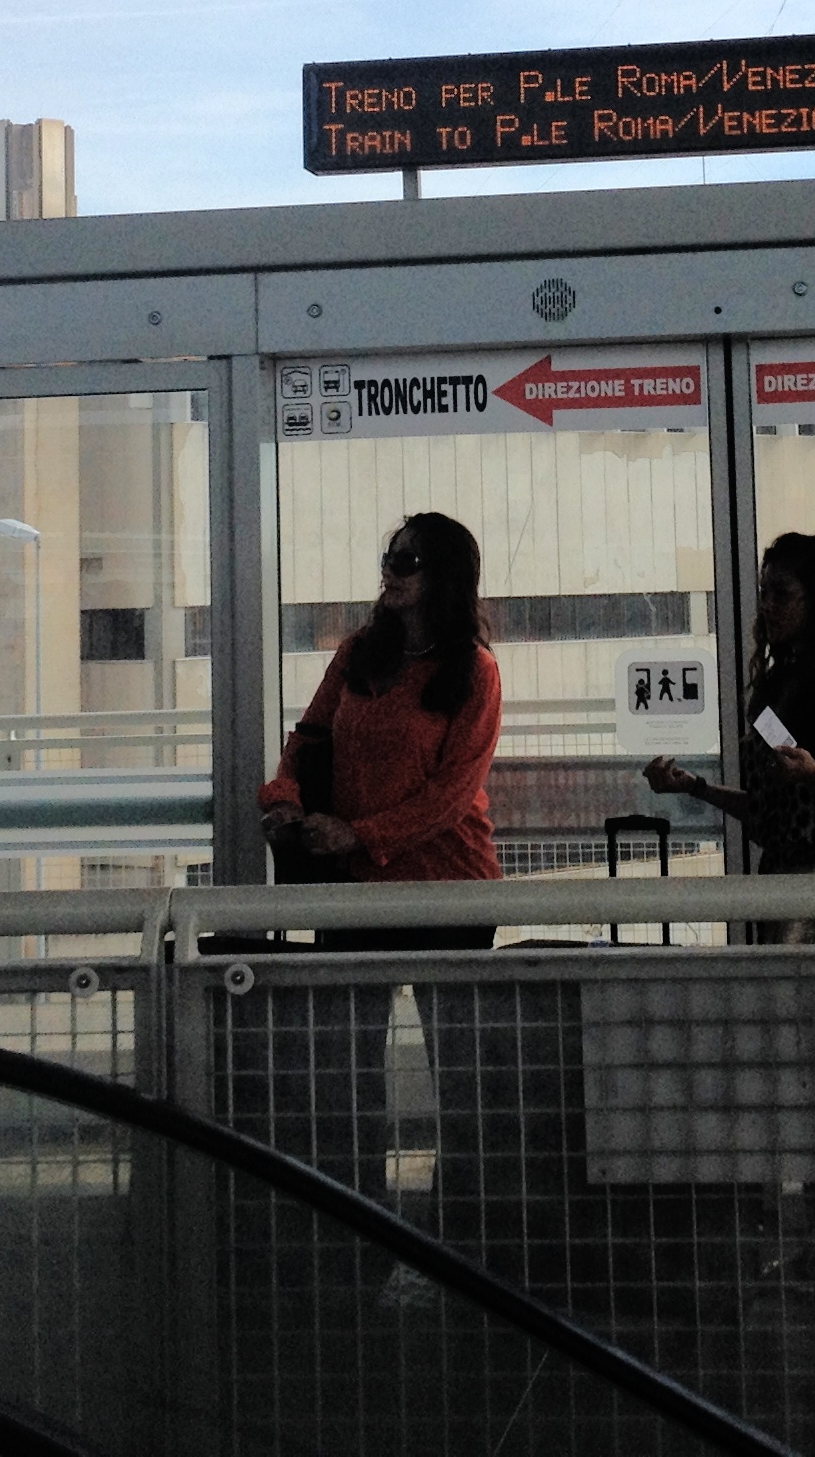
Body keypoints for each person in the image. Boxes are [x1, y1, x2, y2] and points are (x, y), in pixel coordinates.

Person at [643, 530, 815, 1327]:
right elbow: (775, 814)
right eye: (764, 591)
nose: (766, 607)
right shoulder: (776, 689)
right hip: (792, 905)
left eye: (781, 594)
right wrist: (698, 788)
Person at [251, 512, 505, 1214]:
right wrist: (284, 801)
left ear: (445, 577)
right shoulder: (358, 652)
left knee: (458, 1076)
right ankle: (359, 1226)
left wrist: (358, 834)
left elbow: (451, 797)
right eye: (390, 555)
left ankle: (462, 1232)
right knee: (348, 1071)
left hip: (447, 895)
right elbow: (308, 738)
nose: (393, 568)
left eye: (411, 558)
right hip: (356, 891)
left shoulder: (475, 673)